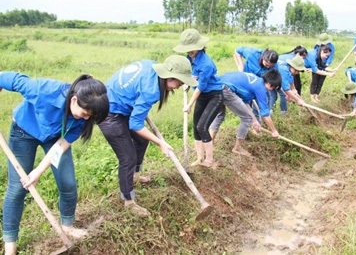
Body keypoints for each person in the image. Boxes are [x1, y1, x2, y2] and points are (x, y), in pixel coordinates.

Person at [0, 72, 109, 254]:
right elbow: (4, 77)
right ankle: (10, 245)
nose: (86, 118)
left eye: (91, 116)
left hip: (56, 138)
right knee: (17, 188)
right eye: (85, 113)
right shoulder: (42, 90)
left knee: (68, 182)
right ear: (74, 100)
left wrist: (38, 172)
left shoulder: (83, 119)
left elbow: (60, 146)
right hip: (23, 133)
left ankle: (67, 226)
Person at [98, 56, 197, 217]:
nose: (179, 87)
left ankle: (135, 176)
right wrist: (160, 143)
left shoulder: (152, 66)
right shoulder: (151, 90)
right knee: (127, 157)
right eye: (179, 82)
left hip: (119, 102)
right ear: (169, 77)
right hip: (108, 112)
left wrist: (136, 103)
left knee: (142, 139)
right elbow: (135, 124)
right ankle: (129, 202)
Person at [174, 29, 224, 168]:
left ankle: (209, 160)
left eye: (192, 49)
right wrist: (187, 84)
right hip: (201, 95)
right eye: (187, 49)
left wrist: (189, 104)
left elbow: (201, 86)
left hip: (214, 96)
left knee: (202, 126)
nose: (189, 51)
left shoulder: (206, 64)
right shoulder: (189, 58)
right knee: (196, 128)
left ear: (200, 46)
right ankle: (199, 158)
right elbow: (190, 75)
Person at [209, 69, 282, 156]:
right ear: (270, 84)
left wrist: (254, 121)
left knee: (220, 116)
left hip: (215, 86)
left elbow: (246, 103)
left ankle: (209, 145)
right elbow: (265, 115)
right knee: (247, 119)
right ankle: (237, 148)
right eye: (273, 88)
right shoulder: (261, 88)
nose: (270, 90)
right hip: (226, 89)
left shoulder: (255, 81)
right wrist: (274, 131)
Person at [271, 46, 308, 112]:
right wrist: (298, 100)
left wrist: (294, 89)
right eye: (296, 70)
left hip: (275, 75)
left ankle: (272, 110)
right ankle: (280, 112)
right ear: (292, 66)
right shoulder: (284, 70)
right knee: (276, 95)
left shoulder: (289, 66)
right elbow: (286, 89)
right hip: (269, 77)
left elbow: (290, 79)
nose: (297, 73)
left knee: (281, 94)